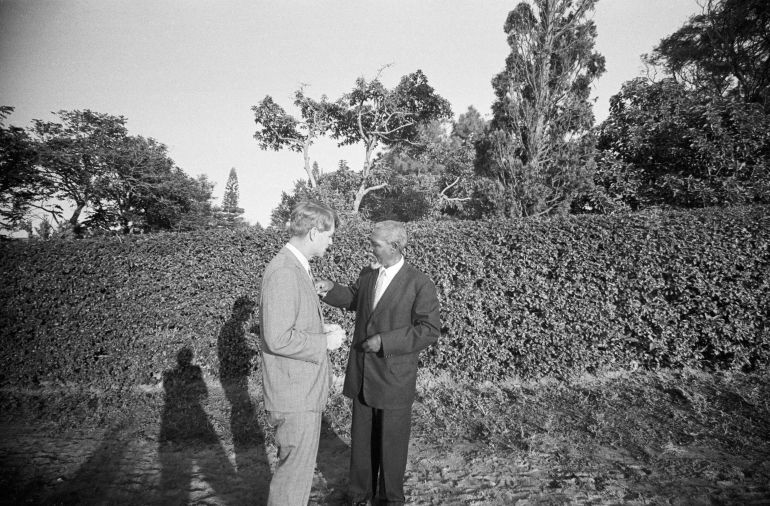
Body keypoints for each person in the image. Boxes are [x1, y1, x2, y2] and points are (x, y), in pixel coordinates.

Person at [315, 220, 441, 505]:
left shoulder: (419, 283)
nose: (370, 248)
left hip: (394, 377)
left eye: (375, 244)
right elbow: (353, 299)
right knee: (362, 441)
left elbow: (429, 330)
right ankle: (359, 494)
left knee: (391, 445)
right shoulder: (368, 275)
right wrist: (330, 288)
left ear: (395, 247)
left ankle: (390, 498)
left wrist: (385, 341)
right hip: (362, 374)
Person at [259, 201, 346, 506]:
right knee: (292, 482)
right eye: (329, 234)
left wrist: (322, 329)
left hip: (300, 393)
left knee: (295, 477)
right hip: (295, 395)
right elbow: (278, 338)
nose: (331, 241)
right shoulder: (285, 271)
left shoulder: (296, 267)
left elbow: (291, 325)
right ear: (313, 233)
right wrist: (324, 342)